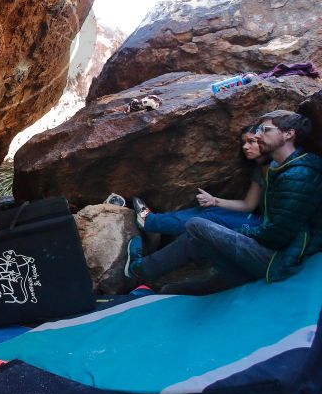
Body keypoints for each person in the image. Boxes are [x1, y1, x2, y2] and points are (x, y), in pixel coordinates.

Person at [125, 110, 322, 292]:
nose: (259, 135)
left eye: (265, 129)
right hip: (274, 250)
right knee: (193, 248)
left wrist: (229, 233)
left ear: (289, 134)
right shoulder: (281, 168)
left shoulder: (298, 175)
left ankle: (151, 230)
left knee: (198, 225)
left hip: (279, 260)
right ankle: (140, 270)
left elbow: (277, 236)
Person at [131, 125, 268, 236]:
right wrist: (215, 200)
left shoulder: (276, 166)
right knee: (210, 209)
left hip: (265, 227)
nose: (244, 147)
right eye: (243, 142)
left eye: (251, 141)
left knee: (208, 218)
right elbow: (248, 205)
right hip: (258, 220)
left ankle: (150, 223)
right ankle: (155, 221)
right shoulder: (259, 169)